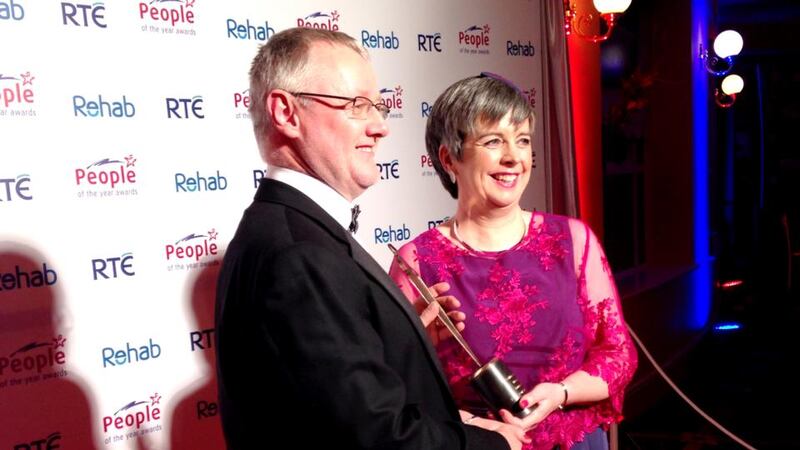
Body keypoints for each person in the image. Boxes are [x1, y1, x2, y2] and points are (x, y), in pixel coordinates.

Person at [214, 28, 527, 450]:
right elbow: (378, 437)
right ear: (286, 113)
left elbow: (335, 404)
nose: (381, 127)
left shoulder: (291, 231)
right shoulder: (299, 254)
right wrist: (496, 444)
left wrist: (401, 337)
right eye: (357, 105)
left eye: (376, 106)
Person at [389, 74, 638, 450]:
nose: (513, 157)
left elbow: (617, 351)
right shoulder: (418, 262)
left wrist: (561, 392)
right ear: (448, 158)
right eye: (493, 141)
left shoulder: (571, 240)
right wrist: (474, 427)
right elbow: (400, 384)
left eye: (521, 141)